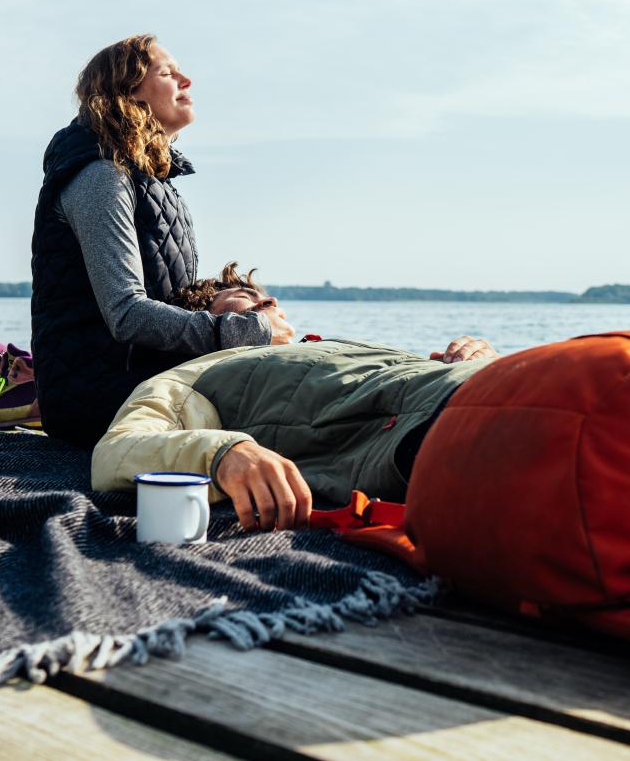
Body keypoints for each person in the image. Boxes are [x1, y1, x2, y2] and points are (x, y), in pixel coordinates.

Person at [91, 263, 498, 531]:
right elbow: (115, 453)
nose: (269, 301)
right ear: (199, 324)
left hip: (492, 387)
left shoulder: (327, 346)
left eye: (265, 296)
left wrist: (480, 356)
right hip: (447, 432)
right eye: (244, 298)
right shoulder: (194, 375)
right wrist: (226, 454)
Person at [32, 37, 291, 448]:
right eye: (168, 73)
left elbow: (167, 293)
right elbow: (126, 313)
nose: (187, 80)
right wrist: (245, 333)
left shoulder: (149, 179)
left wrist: (243, 305)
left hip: (148, 388)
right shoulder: (100, 175)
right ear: (127, 92)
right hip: (101, 407)